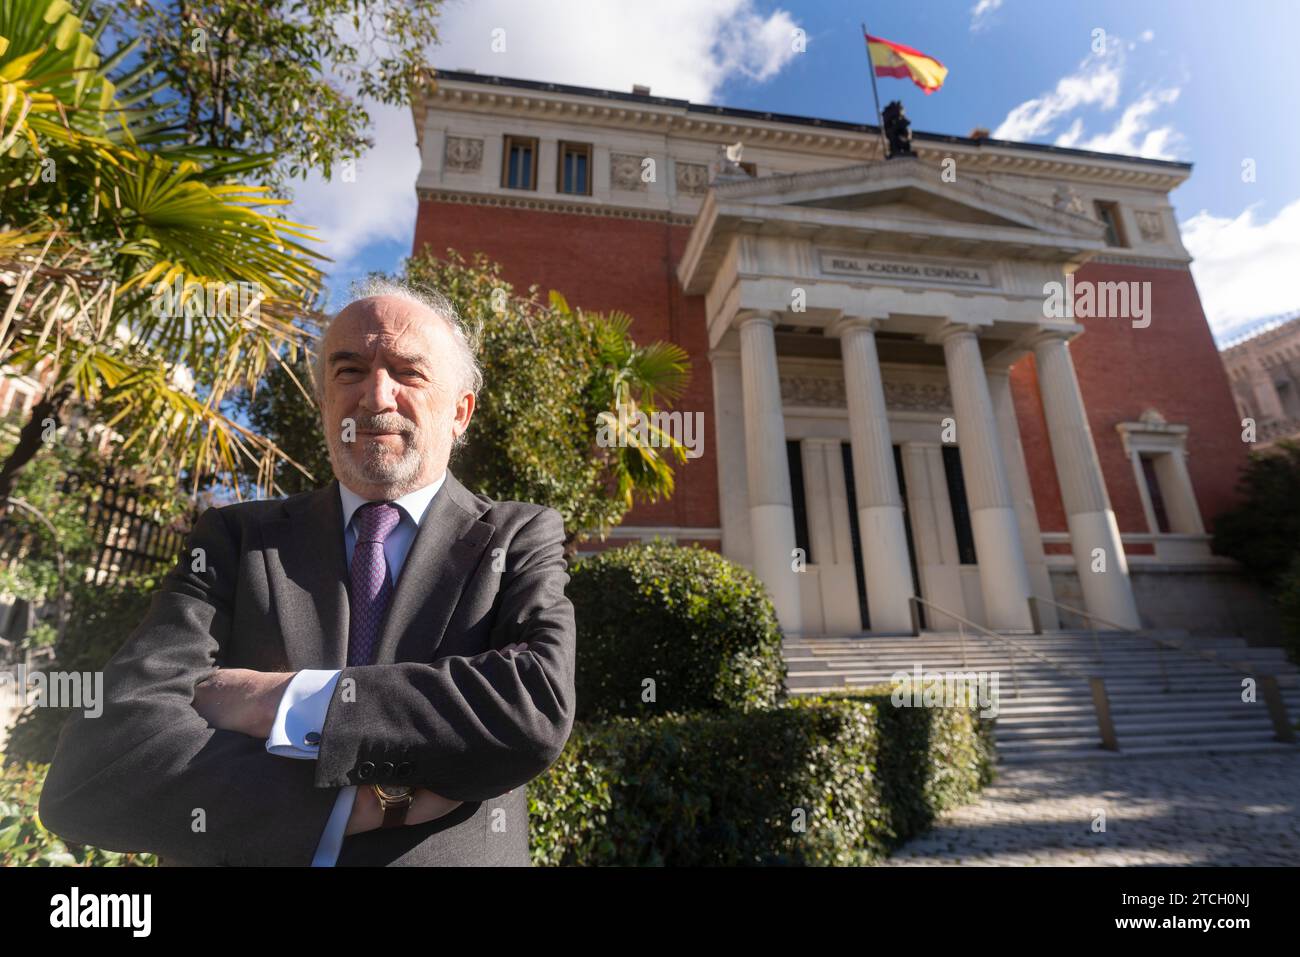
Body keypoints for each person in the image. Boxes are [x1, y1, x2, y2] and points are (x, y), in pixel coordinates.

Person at [38, 279, 577, 865]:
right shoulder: (236, 541)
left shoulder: (518, 537)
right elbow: (99, 764)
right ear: (324, 402)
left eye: (409, 373)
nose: (375, 395)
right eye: (348, 371)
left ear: (460, 412)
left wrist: (280, 701)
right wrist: (354, 806)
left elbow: (532, 707)